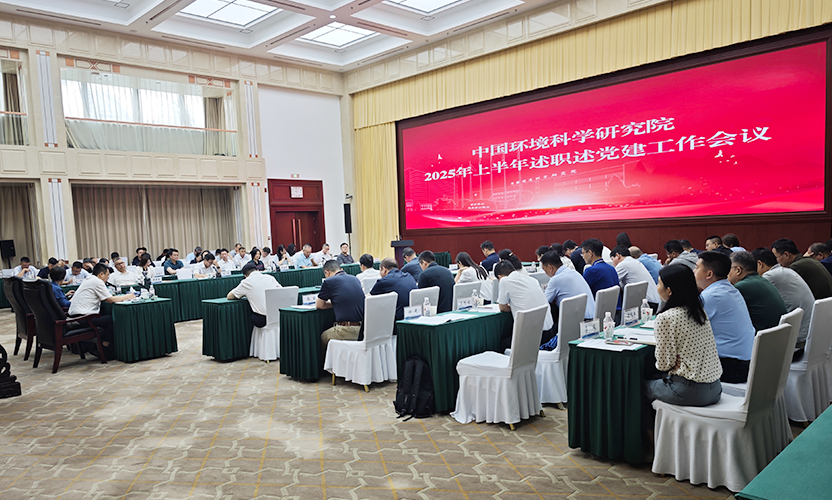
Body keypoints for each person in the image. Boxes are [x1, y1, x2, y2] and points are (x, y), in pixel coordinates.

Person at [645, 265, 723, 406]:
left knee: (636, 385)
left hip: (688, 391)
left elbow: (663, 365)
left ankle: (646, 423)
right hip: (715, 389)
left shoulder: (666, 317)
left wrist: (674, 364)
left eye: (659, 283)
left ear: (669, 291)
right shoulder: (699, 311)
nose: (657, 287)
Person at [694, 251, 756, 383]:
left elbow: (688, 329)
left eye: (697, 267)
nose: (693, 271)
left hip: (730, 367)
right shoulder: (730, 290)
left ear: (709, 274)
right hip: (745, 363)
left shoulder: (711, 296)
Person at [753, 247, 815, 348]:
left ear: (760, 264)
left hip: (798, 340)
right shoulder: (786, 271)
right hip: (809, 332)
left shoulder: (769, 276)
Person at [68, 263, 133, 358]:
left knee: (108, 319)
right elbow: (110, 300)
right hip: (85, 318)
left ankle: (102, 348)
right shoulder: (97, 281)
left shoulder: (89, 279)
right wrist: (128, 296)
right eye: (107, 275)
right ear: (101, 274)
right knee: (115, 318)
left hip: (77, 316)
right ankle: (104, 348)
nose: (108, 278)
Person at [495, 261, 554, 349]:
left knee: (501, 344)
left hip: (532, 337)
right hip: (549, 332)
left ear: (500, 276)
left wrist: (513, 307)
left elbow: (502, 307)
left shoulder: (505, 280)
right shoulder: (532, 280)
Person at [727, 251, 788, 332]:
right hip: (776, 334)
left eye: (728, 269)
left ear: (738, 270)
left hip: (761, 336)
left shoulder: (741, 287)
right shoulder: (763, 280)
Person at [317, 260, 365, 346]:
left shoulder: (329, 281)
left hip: (347, 329)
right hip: (362, 328)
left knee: (324, 337)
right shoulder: (354, 278)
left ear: (327, 272)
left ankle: (329, 356)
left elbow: (319, 305)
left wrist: (335, 303)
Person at [540, 250, 595, 321]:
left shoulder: (555, 280)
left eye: (544, 270)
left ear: (550, 268)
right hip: (593, 317)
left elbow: (544, 302)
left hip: (578, 321)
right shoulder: (574, 273)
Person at [227, 262, 281, 327]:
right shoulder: (270, 278)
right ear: (257, 270)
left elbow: (229, 296)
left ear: (245, 275)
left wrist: (244, 294)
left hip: (263, 319)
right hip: (279, 314)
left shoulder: (246, 282)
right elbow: (281, 291)